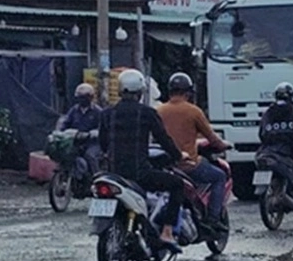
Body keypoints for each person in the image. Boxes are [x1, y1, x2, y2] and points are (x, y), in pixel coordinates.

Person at [98, 70, 188, 249]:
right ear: (140, 92)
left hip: (114, 175)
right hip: (139, 174)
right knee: (177, 185)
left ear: (121, 90)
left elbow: (103, 144)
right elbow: (163, 139)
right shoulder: (147, 113)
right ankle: (167, 232)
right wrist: (179, 156)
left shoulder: (107, 114)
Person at [156, 72, 231, 231]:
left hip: (165, 165)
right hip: (188, 165)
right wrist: (223, 145)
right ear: (188, 93)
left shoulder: (159, 110)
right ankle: (213, 219)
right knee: (219, 176)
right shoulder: (194, 111)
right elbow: (211, 138)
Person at [58, 83, 104, 180]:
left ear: (90, 98)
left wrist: (94, 133)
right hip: (76, 141)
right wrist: (60, 131)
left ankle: (97, 178)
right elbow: (66, 122)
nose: (82, 100)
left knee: (90, 156)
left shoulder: (97, 111)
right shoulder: (74, 110)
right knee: (67, 153)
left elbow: (103, 128)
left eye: (84, 97)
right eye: (80, 97)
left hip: (92, 143)